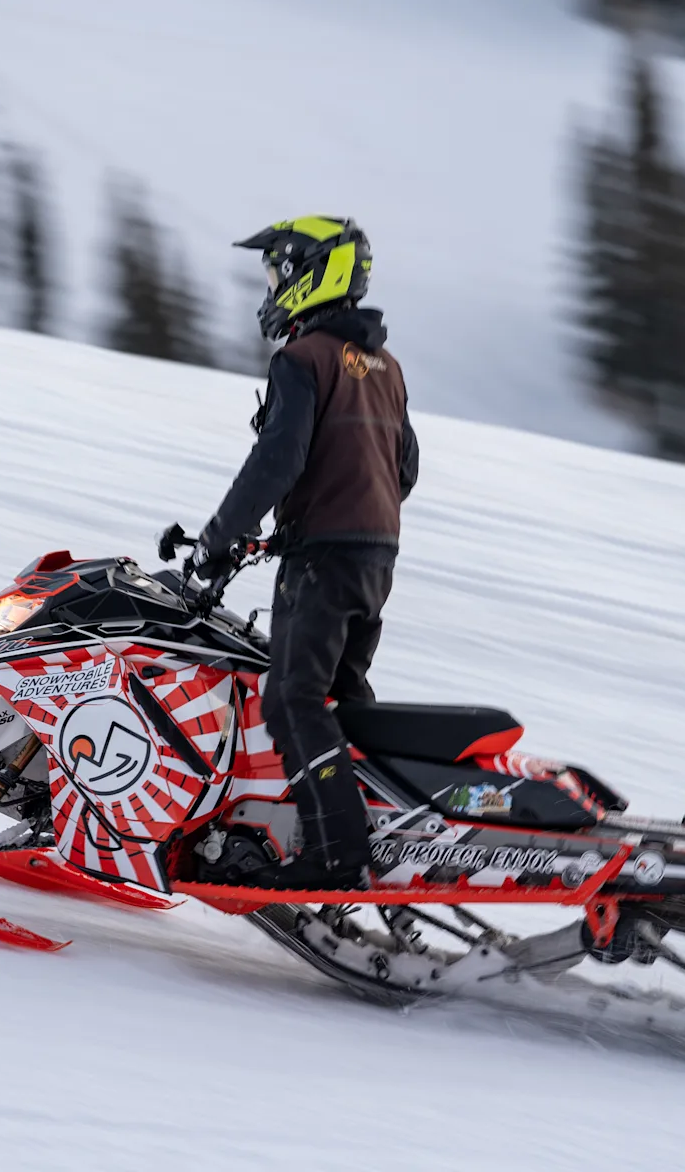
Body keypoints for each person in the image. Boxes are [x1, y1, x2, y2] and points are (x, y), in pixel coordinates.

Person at [187, 216, 418, 891]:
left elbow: (276, 462)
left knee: (292, 702)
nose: (272, 285)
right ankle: (382, 828)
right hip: (376, 556)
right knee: (345, 702)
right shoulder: (384, 366)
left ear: (316, 274)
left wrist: (216, 538)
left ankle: (337, 853)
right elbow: (403, 469)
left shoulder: (302, 359)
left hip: (324, 559)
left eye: (279, 271)